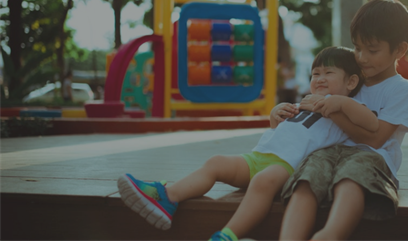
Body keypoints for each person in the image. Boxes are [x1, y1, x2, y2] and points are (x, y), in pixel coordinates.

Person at [116, 46, 378, 241]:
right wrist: (276, 114)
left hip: (289, 167)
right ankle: (168, 198)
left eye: (328, 72)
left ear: (351, 82)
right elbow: (286, 129)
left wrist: (340, 103)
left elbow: (370, 122)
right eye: (315, 73)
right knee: (216, 162)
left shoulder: (348, 108)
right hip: (259, 156)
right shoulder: (305, 101)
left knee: (262, 182)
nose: (319, 78)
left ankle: (228, 235)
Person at [277, 0, 408, 241]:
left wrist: (332, 109)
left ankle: (329, 235)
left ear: (400, 49)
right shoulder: (352, 80)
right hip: (331, 150)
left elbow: (376, 140)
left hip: (373, 157)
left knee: (351, 177)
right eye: (357, 48)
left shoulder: (402, 89)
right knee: (308, 176)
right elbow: (317, 103)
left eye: (372, 50)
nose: (361, 57)